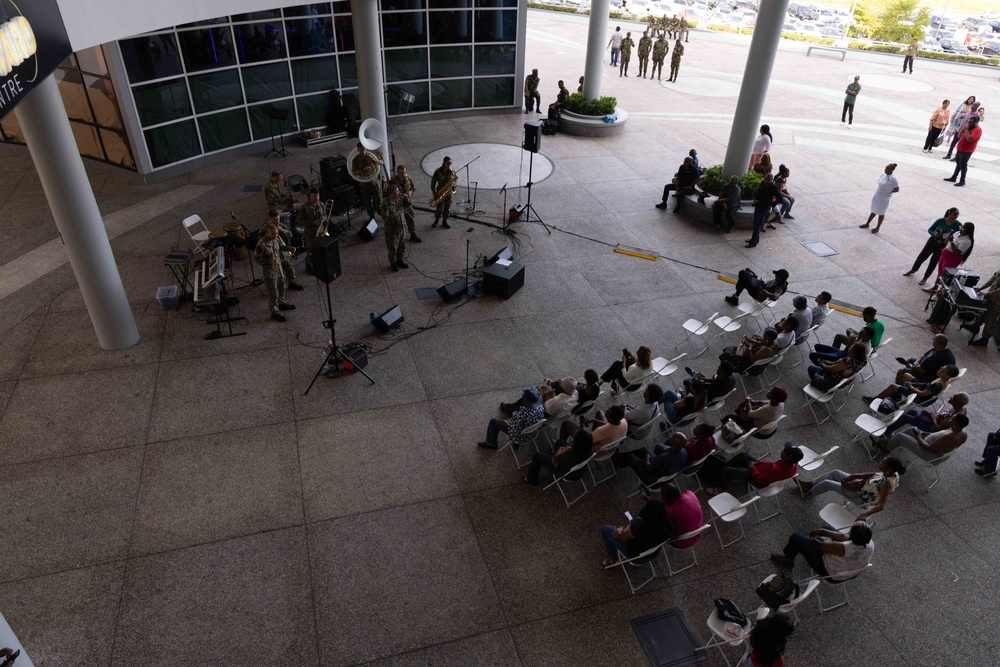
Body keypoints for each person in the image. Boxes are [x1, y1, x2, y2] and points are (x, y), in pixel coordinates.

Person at [796, 458, 906, 523]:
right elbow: (873, 474)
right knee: (835, 473)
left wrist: (866, 513)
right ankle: (810, 484)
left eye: (883, 463)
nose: (880, 463)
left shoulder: (885, 484)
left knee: (827, 484)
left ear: (889, 469)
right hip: (862, 485)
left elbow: (881, 505)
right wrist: (853, 476)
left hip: (860, 497)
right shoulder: (893, 473)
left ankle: (809, 492)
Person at [770, 522, 875, 580]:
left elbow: (823, 547)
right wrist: (823, 531)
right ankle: (820, 535)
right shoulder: (870, 543)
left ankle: (788, 559)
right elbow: (844, 537)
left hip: (829, 572)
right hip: (852, 571)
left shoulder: (844, 547)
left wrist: (832, 540)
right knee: (827, 528)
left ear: (852, 536)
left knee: (796, 538)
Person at [872, 392, 969, 447]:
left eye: (953, 397)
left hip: (931, 428)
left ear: (957, 402)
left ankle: (884, 432)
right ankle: (889, 430)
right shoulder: (962, 409)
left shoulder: (953, 416)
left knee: (906, 417)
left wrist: (932, 417)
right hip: (931, 420)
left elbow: (938, 429)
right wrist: (931, 415)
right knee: (912, 412)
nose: (950, 397)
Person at [598, 495, 672, 567]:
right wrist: (649, 501)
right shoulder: (668, 525)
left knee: (604, 529)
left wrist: (623, 527)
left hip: (636, 557)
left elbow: (619, 536)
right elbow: (656, 512)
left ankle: (611, 557)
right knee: (632, 516)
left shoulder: (641, 527)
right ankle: (629, 519)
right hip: (653, 553)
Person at [698, 442, 802, 493]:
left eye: (784, 451)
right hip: (763, 470)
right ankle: (722, 472)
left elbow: (759, 479)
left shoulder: (777, 471)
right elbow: (770, 465)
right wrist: (758, 463)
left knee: (726, 470)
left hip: (756, 478)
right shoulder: (793, 465)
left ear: (788, 458)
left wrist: (752, 467)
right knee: (744, 456)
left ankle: (720, 487)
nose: (782, 451)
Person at [904, 208, 961, 285]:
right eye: (955, 214)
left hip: (942, 246)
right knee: (921, 257)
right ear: (949, 213)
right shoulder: (940, 220)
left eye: (958, 214)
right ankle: (913, 269)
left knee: (933, 262)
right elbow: (930, 229)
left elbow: (959, 236)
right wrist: (934, 234)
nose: (956, 216)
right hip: (932, 242)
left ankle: (925, 278)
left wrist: (950, 239)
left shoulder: (958, 225)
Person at [862, 364, 960, 409]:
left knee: (892, 386)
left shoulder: (939, 384)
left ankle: (873, 399)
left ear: (947, 376)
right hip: (919, 389)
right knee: (906, 375)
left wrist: (911, 387)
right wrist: (914, 383)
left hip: (917, 396)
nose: (940, 369)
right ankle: (897, 394)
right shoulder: (942, 379)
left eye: (943, 370)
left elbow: (923, 394)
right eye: (942, 367)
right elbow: (927, 385)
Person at [524, 425, 594, 486]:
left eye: (576, 433)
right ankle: (550, 453)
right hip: (578, 472)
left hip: (563, 471)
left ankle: (530, 479)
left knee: (537, 455)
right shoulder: (589, 450)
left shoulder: (570, 453)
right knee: (561, 442)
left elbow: (554, 461)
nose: (575, 432)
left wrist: (560, 450)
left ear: (578, 441)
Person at [478, 387, 544, 450]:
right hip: (532, 433)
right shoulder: (541, 407)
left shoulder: (522, 415)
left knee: (493, 422)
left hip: (520, 437)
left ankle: (491, 444)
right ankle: (509, 410)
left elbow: (513, 430)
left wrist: (506, 423)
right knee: (520, 409)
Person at [254, 225, 296, 322]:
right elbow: (257, 259)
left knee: (282, 287)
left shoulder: (274, 240)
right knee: (274, 292)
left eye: (276, 233)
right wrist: (269, 261)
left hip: (279, 269)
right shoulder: (261, 245)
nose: (275, 235)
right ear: (267, 233)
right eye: (273, 234)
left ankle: (282, 303)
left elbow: (280, 247)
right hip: (270, 272)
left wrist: (289, 248)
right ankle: (274, 312)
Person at [883, 414, 969, 462]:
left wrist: (918, 437)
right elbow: (941, 436)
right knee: (911, 429)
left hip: (929, 454)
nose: (949, 419)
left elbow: (929, 448)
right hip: (931, 443)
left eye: (951, 419)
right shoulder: (962, 432)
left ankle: (885, 449)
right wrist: (928, 433)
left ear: (955, 424)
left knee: (900, 437)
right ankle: (889, 442)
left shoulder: (951, 437)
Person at [614, 432, 689, 484]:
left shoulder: (664, 457)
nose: (671, 436)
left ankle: (616, 461)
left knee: (629, 456)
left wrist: (647, 458)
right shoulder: (684, 451)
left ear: (673, 442)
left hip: (651, 478)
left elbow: (648, 468)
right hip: (664, 471)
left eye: (673, 436)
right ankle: (622, 459)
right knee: (644, 450)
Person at [260, 210, 303, 291]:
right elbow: (262, 243)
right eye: (275, 220)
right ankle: (275, 290)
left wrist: (282, 230)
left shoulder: (280, 225)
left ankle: (291, 283)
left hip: (283, 252)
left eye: (279, 219)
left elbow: (290, 234)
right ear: (269, 219)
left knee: (289, 268)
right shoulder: (264, 230)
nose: (277, 221)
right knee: (276, 273)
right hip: (273, 254)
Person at [721, 386, 787, 438]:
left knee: (730, 416)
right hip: (771, 428)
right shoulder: (780, 403)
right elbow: (765, 402)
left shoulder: (768, 409)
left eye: (770, 392)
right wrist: (754, 402)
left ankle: (724, 430)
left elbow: (750, 413)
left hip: (760, 432)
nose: (768, 391)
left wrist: (748, 402)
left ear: (774, 398)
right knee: (741, 413)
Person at [859, 163, 899, 234]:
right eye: (885, 168)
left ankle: (877, 227)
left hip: (885, 198)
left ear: (892, 170)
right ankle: (867, 223)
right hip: (877, 195)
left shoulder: (894, 179)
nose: (885, 169)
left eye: (887, 168)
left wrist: (888, 192)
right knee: (874, 210)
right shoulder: (883, 175)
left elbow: (896, 189)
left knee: (881, 213)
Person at [943, 115, 982, 187]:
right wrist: (963, 129)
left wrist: (967, 130)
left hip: (967, 150)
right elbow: (958, 136)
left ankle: (962, 180)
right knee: (958, 163)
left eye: (971, 122)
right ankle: (954, 177)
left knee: (963, 165)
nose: (969, 123)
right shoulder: (968, 128)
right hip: (960, 148)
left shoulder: (978, 130)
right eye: (968, 122)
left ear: (975, 123)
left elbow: (969, 139)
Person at [662, 482, 704, 547]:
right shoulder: (690, 493)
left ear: (673, 498)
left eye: (665, 500)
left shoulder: (670, 511)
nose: (665, 502)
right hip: (697, 533)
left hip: (680, 542)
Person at [810, 326, 874, 366]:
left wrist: (850, 343)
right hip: (841, 352)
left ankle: (822, 367)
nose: (859, 332)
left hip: (842, 357)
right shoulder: (861, 339)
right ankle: (826, 358)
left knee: (813, 355)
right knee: (817, 346)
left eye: (862, 332)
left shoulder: (863, 347)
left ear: (867, 336)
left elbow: (845, 355)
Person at [746, 173, 781, 248]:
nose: (766, 181)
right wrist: (756, 199)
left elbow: (779, 198)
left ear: (772, 180)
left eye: (768, 180)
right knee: (755, 223)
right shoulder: (762, 183)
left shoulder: (773, 187)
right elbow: (759, 193)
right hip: (758, 205)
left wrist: (771, 205)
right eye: (766, 179)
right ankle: (755, 239)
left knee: (757, 224)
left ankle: (753, 242)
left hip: (764, 207)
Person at [351, 142, 384, 219]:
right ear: (358, 150)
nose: (363, 152)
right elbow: (353, 172)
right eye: (361, 150)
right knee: (367, 202)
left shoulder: (370, 156)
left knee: (379, 200)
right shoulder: (355, 160)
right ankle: (371, 216)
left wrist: (374, 159)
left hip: (374, 182)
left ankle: (380, 212)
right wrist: (363, 169)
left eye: (364, 150)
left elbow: (382, 163)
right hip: (364, 184)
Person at [379, 184, 408, 272]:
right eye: (397, 191)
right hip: (392, 231)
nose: (399, 192)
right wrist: (393, 215)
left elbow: (409, 205)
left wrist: (407, 198)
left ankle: (400, 260)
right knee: (393, 248)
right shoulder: (385, 203)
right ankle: (393, 263)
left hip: (401, 227)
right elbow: (385, 218)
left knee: (402, 246)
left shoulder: (399, 199)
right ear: (391, 194)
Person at [970, 268, 1000, 346]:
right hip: (991, 295)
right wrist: (981, 288)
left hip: (998, 300)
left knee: (991, 319)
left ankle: (985, 339)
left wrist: (987, 294)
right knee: (982, 311)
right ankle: (975, 326)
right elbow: (993, 278)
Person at [298, 186, 324, 273]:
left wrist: (324, 219)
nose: (316, 198)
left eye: (318, 196)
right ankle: (308, 265)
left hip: (320, 231)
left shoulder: (321, 204)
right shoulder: (304, 207)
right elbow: (301, 221)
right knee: (310, 250)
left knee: (319, 249)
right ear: (309, 196)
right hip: (310, 233)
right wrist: (313, 222)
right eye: (314, 196)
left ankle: (318, 263)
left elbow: (325, 214)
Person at [392, 165, 420, 243]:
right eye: (401, 173)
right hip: (398, 203)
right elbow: (390, 192)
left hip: (407, 202)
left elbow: (413, 187)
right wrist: (401, 194)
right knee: (398, 220)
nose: (403, 175)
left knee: (410, 218)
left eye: (404, 172)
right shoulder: (393, 181)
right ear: (397, 172)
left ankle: (413, 234)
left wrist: (411, 192)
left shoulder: (408, 179)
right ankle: (398, 236)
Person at [430, 156, 455, 229]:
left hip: (448, 192)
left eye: (450, 163)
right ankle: (437, 220)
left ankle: (445, 221)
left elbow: (454, 181)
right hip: (440, 191)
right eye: (448, 163)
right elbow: (433, 182)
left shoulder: (452, 172)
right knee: (439, 207)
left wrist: (453, 187)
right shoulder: (438, 171)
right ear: (444, 163)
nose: (449, 164)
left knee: (447, 207)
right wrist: (434, 192)